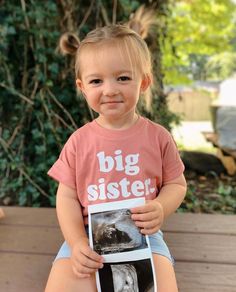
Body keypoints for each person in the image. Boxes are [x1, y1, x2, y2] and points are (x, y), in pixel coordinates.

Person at [45, 24, 187, 292]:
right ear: (82, 87)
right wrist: (75, 243)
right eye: (96, 81)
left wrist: (160, 207)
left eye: (122, 78)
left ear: (143, 82)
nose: (109, 89)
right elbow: (66, 197)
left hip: (143, 238)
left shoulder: (158, 137)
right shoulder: (79, 142)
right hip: (87, 237)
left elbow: (176, 184)